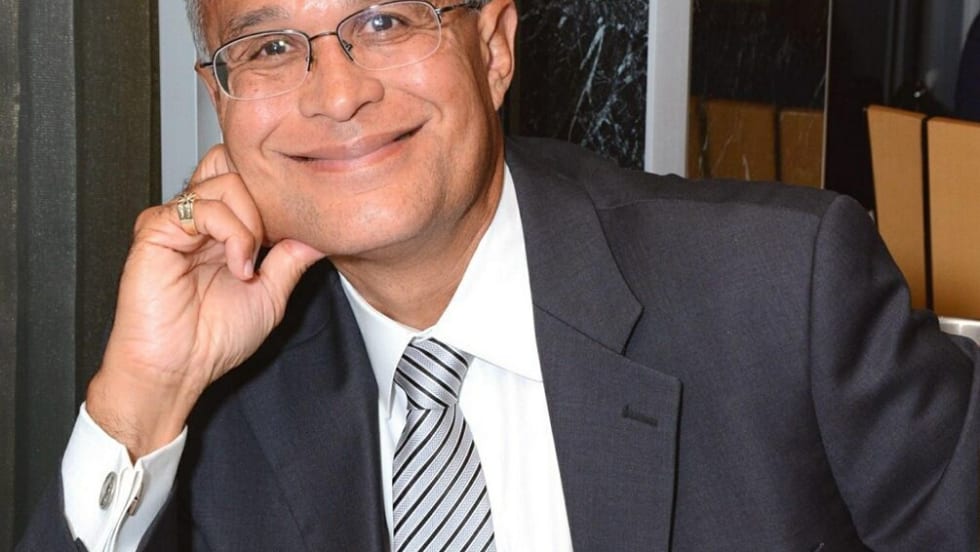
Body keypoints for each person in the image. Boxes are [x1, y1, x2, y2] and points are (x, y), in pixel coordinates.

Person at [18, 0, 978, 549]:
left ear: (494, 47)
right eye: (269, 48)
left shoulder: (780, 293)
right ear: (220, 100)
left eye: (384, 19)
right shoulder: (215, 398)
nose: (338, 92)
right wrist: (138, 406)